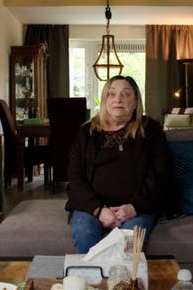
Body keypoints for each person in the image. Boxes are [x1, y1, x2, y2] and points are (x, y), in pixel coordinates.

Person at [65, 75, 172, 253]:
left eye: (126, 94)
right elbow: (75, 179)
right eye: (112, 94)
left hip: (138, 208)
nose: (118, 99)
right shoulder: (86, 133)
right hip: (91, 208)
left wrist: (134, 207)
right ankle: (94, 280)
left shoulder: (149, 129)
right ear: (105, 99)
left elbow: (161, 176)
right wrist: (99, 210)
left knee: (126, 241)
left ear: (136, 102)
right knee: (84, 232)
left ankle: (119, 282)